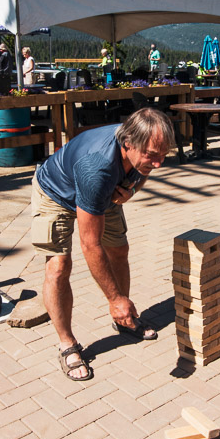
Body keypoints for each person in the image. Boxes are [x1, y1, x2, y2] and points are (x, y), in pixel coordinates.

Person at [31, 108, 175, 381]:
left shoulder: (140, 150)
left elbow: (143, 170)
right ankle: (67, 345)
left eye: (163, 154)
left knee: (119, 250)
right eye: (152, 155)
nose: (158, 163)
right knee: (59, 266)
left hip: (104, 194)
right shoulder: (96, 168)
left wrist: (132, 190)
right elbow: (90, 244)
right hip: (56, 194)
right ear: (128, 143)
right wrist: (113, 297)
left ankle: (125, 317)